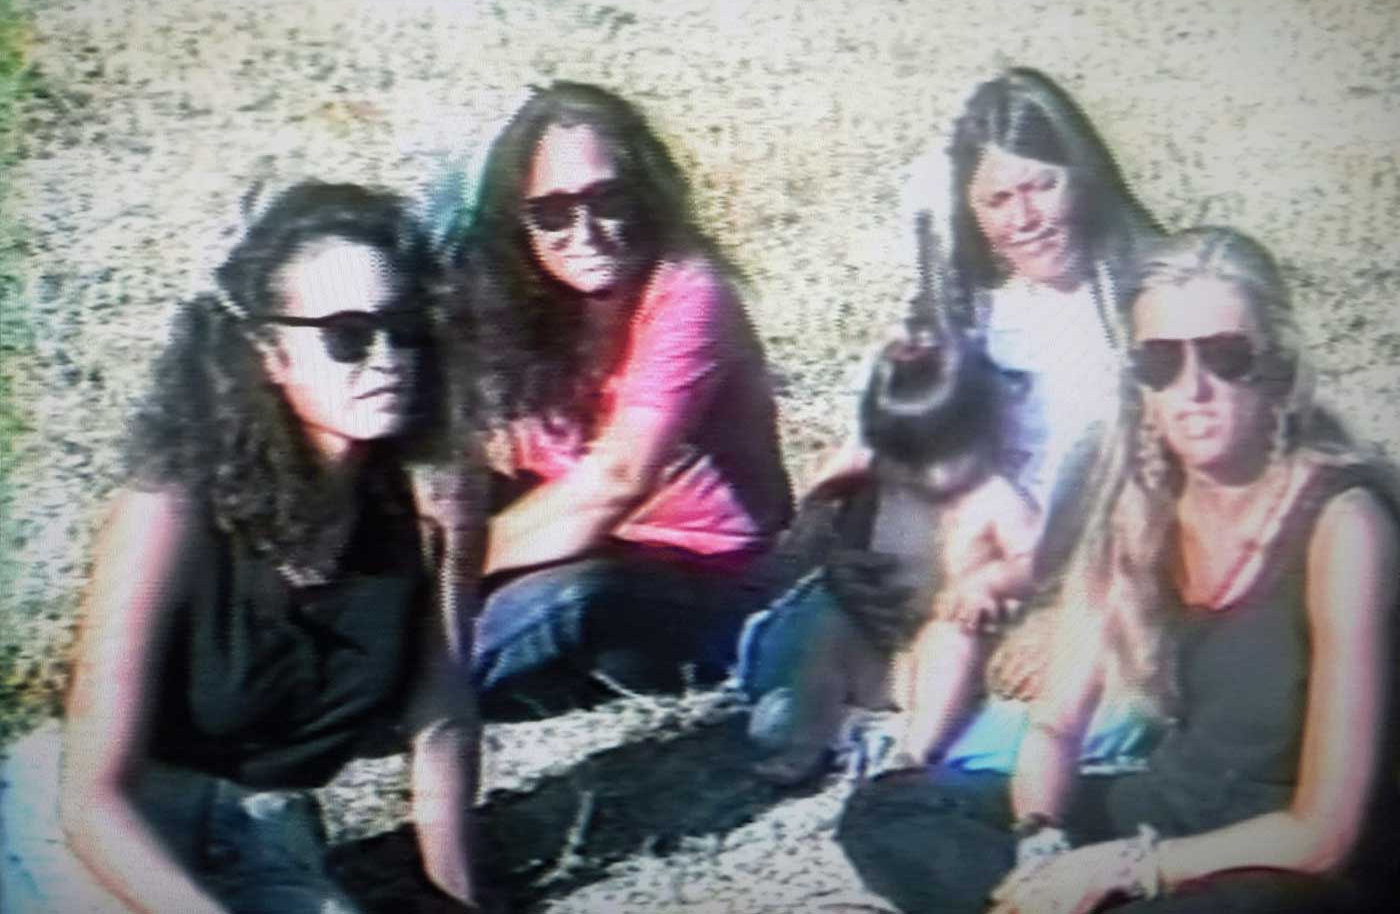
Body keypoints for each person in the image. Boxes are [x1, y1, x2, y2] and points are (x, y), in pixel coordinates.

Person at [837, 227, 1399, 914]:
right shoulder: (1142, 498)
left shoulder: (1347, 523)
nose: (1194, 389)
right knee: (891, 810)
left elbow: (1325, 833)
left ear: (1276, 366)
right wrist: (1039, 845)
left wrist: (1132, 866)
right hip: (1178, 804)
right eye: (1161, 362)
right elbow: (1055, 726)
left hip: (1288, 864)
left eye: (1227, 356)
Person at [0, 182, 485, 913]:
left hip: (265, 829)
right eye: (347, 334)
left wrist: (463, 901)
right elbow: (91, 798)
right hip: (103, 825)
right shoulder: (169, 508)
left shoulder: (435, 502)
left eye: (406, 327)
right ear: (269, 352)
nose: (387, 358)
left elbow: (442, 725)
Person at [739, 68, 1163, 779]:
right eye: (999, 198)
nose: (1024, 218)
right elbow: (876, 452)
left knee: (1127, 711)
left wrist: (1071, 610)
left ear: (1084, 178)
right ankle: (909, 708)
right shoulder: (970, 312)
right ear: (971, 210)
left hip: (1091, 576)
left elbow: (1170, 499)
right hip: (957, 583)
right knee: (788, 645)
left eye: (1041, 186)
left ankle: (892, 725)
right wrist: (838, 541)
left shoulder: (1146, 306)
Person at [446, 81, 792, 716]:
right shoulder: (524, 305)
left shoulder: (688, 291)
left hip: (703, 578)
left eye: (606, 199)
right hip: (586, 542)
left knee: (572, 599)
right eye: (551, 212)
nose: (584, 231)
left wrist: (450, 569)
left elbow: (618, 479)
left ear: (646, 195)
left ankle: (370, 703)